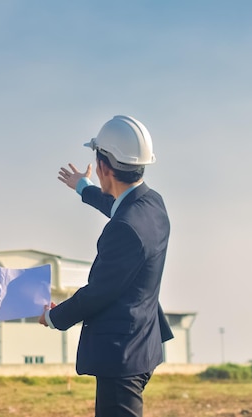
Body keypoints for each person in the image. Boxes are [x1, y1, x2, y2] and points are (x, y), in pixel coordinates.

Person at [39, 115, 173, 417]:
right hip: (143, 343)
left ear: (103, 167)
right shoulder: (153, 205)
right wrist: (83, 187)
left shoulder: (124, 228)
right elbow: (118, 205)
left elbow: (98, 293)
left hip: (121, 354)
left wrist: (53, 317)